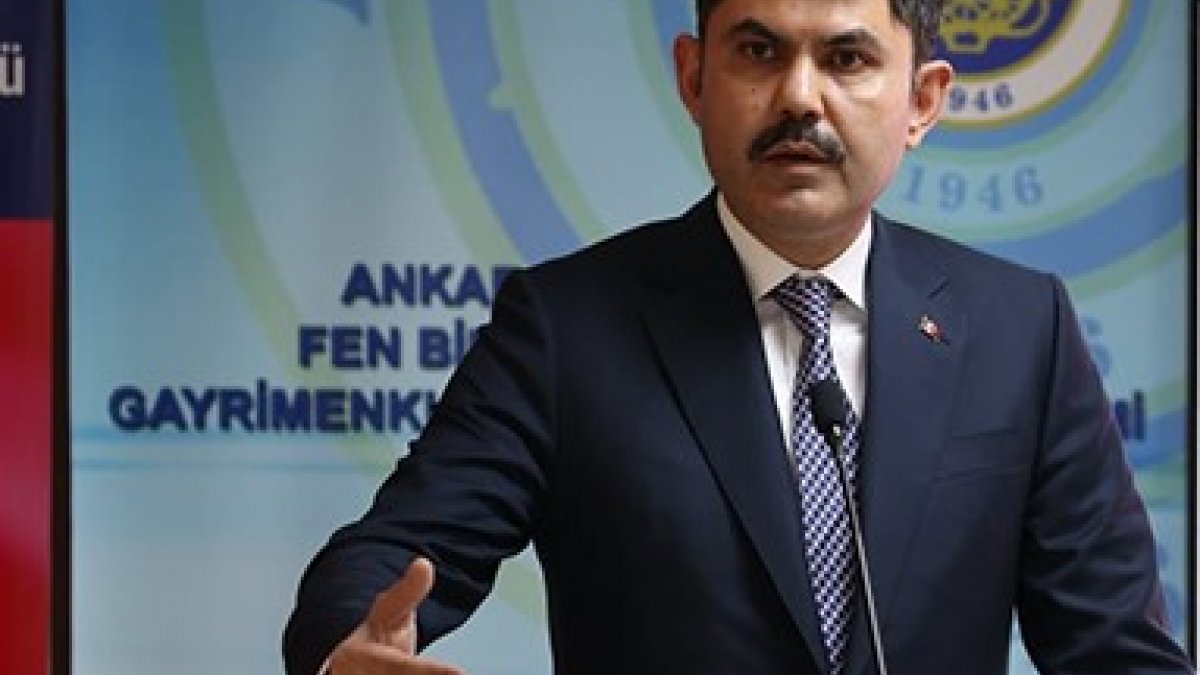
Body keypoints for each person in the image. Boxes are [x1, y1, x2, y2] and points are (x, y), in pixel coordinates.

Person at [284, 0, 1194, 673]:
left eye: (846, 58)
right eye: (759, 52)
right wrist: (349, 645)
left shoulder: (1020, 329)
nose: (799, 97)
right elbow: (392, 551)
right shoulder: (566, 326)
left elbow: (1114, 647)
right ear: (694, 79)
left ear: (922, 100)